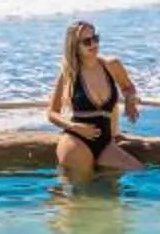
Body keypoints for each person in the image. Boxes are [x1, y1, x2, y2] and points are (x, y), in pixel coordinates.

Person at [48, 20, 140, 180]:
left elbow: (128, 86)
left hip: (105, 143)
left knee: (139, 171)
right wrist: (73, 126)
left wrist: (129, 101)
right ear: (75, 46)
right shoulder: (69, 73)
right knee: (82, 197)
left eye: (95, 38)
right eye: (86, 41)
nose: (93, 44)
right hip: (76, 142)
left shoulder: (111, 65)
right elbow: (51, 113)